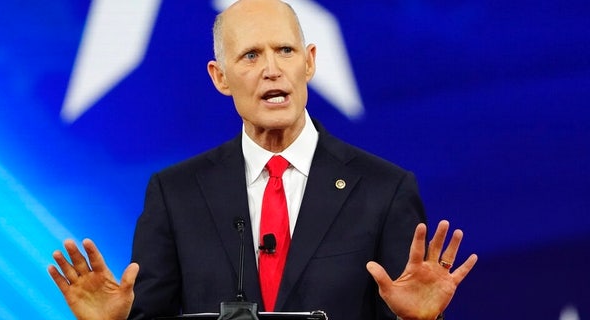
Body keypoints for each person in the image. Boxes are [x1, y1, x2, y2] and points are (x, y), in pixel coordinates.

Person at [48, 0, 478, 319]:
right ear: (220, 77)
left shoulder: (384, 189)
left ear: (309, 63)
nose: (272, 69)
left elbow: (402, 302)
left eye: (285, 51)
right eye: (251, 55)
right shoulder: (175, 194)